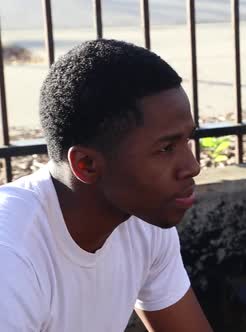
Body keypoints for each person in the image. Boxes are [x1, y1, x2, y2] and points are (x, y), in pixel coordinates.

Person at [0, 39, 212, 331]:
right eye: (166, 149)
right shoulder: (10, 257)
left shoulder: (144, 221)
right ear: (86, 165)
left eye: (187, 141)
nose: (193, 167)